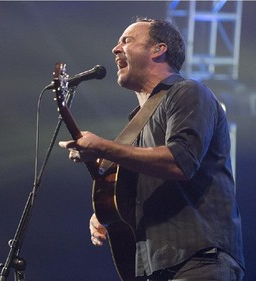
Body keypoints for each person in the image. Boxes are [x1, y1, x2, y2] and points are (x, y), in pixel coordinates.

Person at [59, 17, 245, 281]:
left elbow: (180, 161)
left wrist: (103, 147)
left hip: (200, 260)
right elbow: (148, 183)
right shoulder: (136, 124)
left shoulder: (188, 93)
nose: (115, 49)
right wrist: (109, 213)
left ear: (159, 49)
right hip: (155, 267)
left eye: (127, 40)